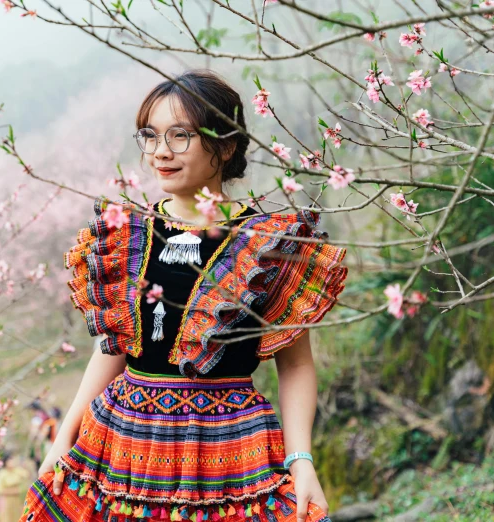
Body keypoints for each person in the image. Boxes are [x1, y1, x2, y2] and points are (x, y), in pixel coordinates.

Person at [20, 69, 348, 522]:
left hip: (230, 453)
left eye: (181, 136)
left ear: (226, 145)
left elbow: (295, 366)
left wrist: (302, 460)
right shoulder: (128, 234)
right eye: (150, 135)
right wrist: (64, 438)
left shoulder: (268, 245)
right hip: (125, 446)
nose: (160, 152)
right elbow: (114, 347)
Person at [0, 451, 31, 522]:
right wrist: (15, 491)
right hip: (7, 501)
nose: (12, 462)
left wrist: (24, 466)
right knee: (7, 518)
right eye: (10, 460)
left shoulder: (17, 470)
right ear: (5, 462)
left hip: (17, 500)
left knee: (18, 517)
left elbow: (27, 475)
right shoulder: (2, 474)